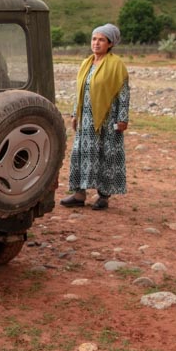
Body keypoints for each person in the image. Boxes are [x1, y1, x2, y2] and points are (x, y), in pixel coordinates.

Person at [61, 23, 130, 210]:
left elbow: (123, 94)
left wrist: (122, 118)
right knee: (81, 155)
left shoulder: (116, 65)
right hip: (86, 120)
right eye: (94, 39)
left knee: (105, 156)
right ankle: (79, 194)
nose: (96, 43)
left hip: (107, 121)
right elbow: (80, 92)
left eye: (101, 40)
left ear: (110, 43)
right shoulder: (86, 63)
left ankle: (103, 197)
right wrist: (75, 114)